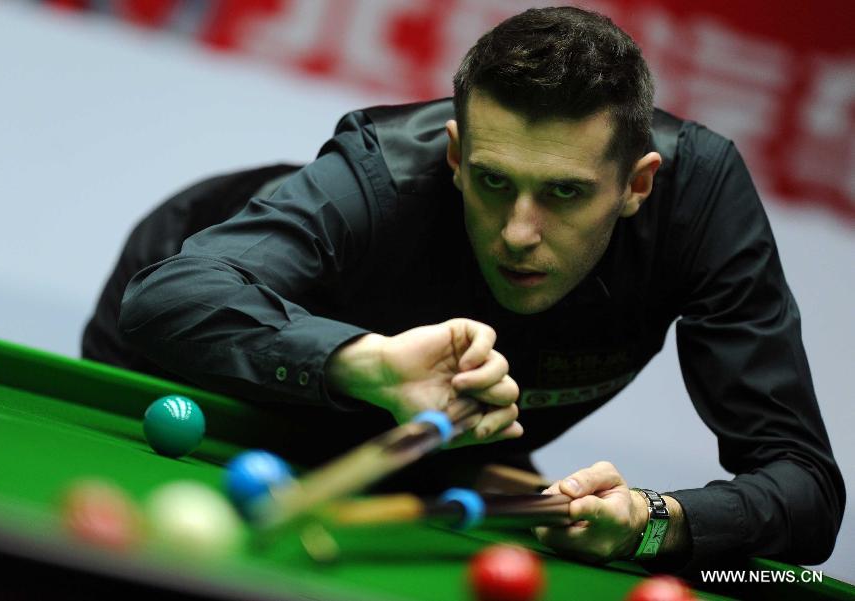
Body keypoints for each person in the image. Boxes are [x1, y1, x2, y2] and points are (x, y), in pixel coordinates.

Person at [88, 6, 844, 575]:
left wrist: (655, 519)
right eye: (492, 181)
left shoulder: (700, 201)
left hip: (411, 448)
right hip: (201, 353)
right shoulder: (380, 169)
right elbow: (172, 297)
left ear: (636, 184)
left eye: (564, 194)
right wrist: (365, 362)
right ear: (454, 154)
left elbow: (805, 487)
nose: (520, 230)